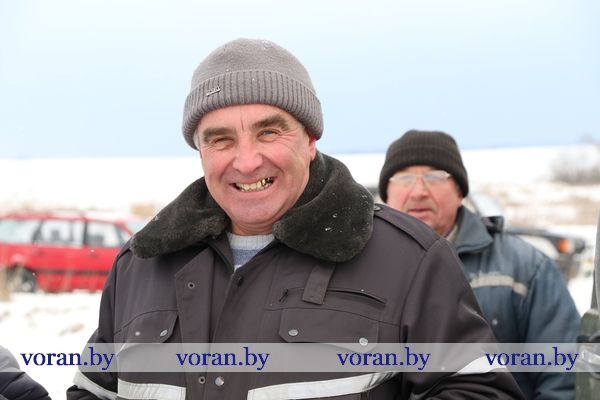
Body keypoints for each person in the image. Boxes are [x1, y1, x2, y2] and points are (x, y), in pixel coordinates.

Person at [67, 39, 523, 399]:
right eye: (221, 139)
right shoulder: (140, 266)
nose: (247, 162)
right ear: (199, 151)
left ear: (309, 139)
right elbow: (93, 393)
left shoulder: (409, 259)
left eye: (269, 131)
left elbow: (479, 391)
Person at [379, 130, 581, 400]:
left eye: (435, 177)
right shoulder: (362, 268)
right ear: (386, 193)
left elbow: (564, 377)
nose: (419, 191)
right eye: (404, 178)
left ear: (460, 191)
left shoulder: (526, 269)